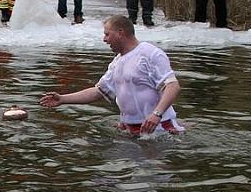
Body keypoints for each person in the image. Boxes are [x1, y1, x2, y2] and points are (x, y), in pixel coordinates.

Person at [38, 15, 183, 136]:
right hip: (131, 131)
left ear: (120, 33)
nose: (104, 39)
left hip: (159, 129)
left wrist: (156, 114)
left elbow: (172, 86)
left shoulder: (150, 53)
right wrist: (63, 99)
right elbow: (98, 92)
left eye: (107, 34)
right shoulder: (117, 62)